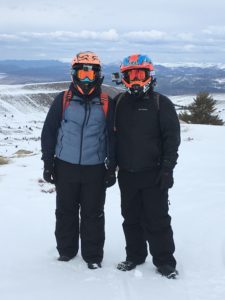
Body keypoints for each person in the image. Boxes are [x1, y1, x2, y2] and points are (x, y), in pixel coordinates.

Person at [41, 51, 116, 269]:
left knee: (93, 213)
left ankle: (92, 256)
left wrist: (112, 168)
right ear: (74, 74)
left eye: (90, 74)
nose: (86, 78)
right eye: (81, 72)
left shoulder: (106, 102)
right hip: (65, 166)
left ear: (98, 75)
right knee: (65, 211)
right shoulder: (63, 100)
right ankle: (66, 251)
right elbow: (49, 132)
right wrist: (48, 162)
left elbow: (113, 138)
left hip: (95, 168)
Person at [114, 54, 180, 278]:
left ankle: (165, 261)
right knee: (130, 217)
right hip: (126, 173)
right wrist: (110, 166)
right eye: (130, 74)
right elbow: (113, 137)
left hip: (154, 174)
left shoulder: (161, 103)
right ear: (123, 77)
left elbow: (172, 140)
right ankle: (135, 255)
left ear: (149, 76)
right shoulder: (119, 103)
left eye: (139, 74)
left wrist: (167, 169)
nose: (134, 79)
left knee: (157, 218)